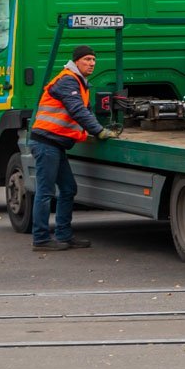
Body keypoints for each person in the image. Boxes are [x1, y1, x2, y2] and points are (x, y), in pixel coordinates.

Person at [29, 45, 118, 252]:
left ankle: (64, 236)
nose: (92, 63)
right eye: (87, 59)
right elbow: (77, 109)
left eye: (94, 60)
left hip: (55, 145)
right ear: (76, 61)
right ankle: (40, 239)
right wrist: (98, 131)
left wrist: (96, 128)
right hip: (45, 143)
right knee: (45, 192)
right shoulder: (68, 80)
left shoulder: (80, 83)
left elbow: (84, 111)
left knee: (68, 189)